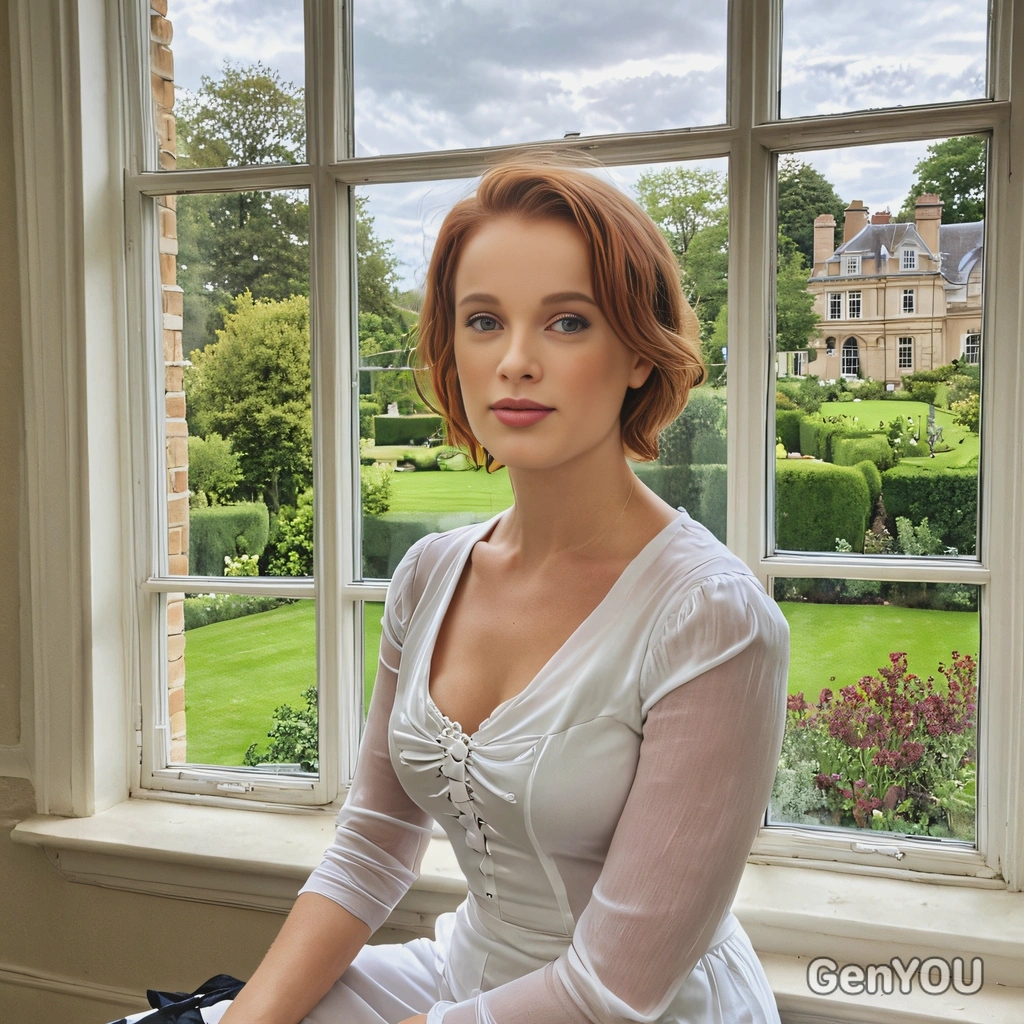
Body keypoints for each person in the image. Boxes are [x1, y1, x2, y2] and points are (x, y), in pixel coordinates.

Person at [116, 155, 790, 1024]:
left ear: (636, 353)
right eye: (483, 321)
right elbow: (371, 846)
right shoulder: (431, 576)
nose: (514, 362)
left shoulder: (714, 622)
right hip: (460, 977)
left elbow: (613, 991)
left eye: (568, 323)